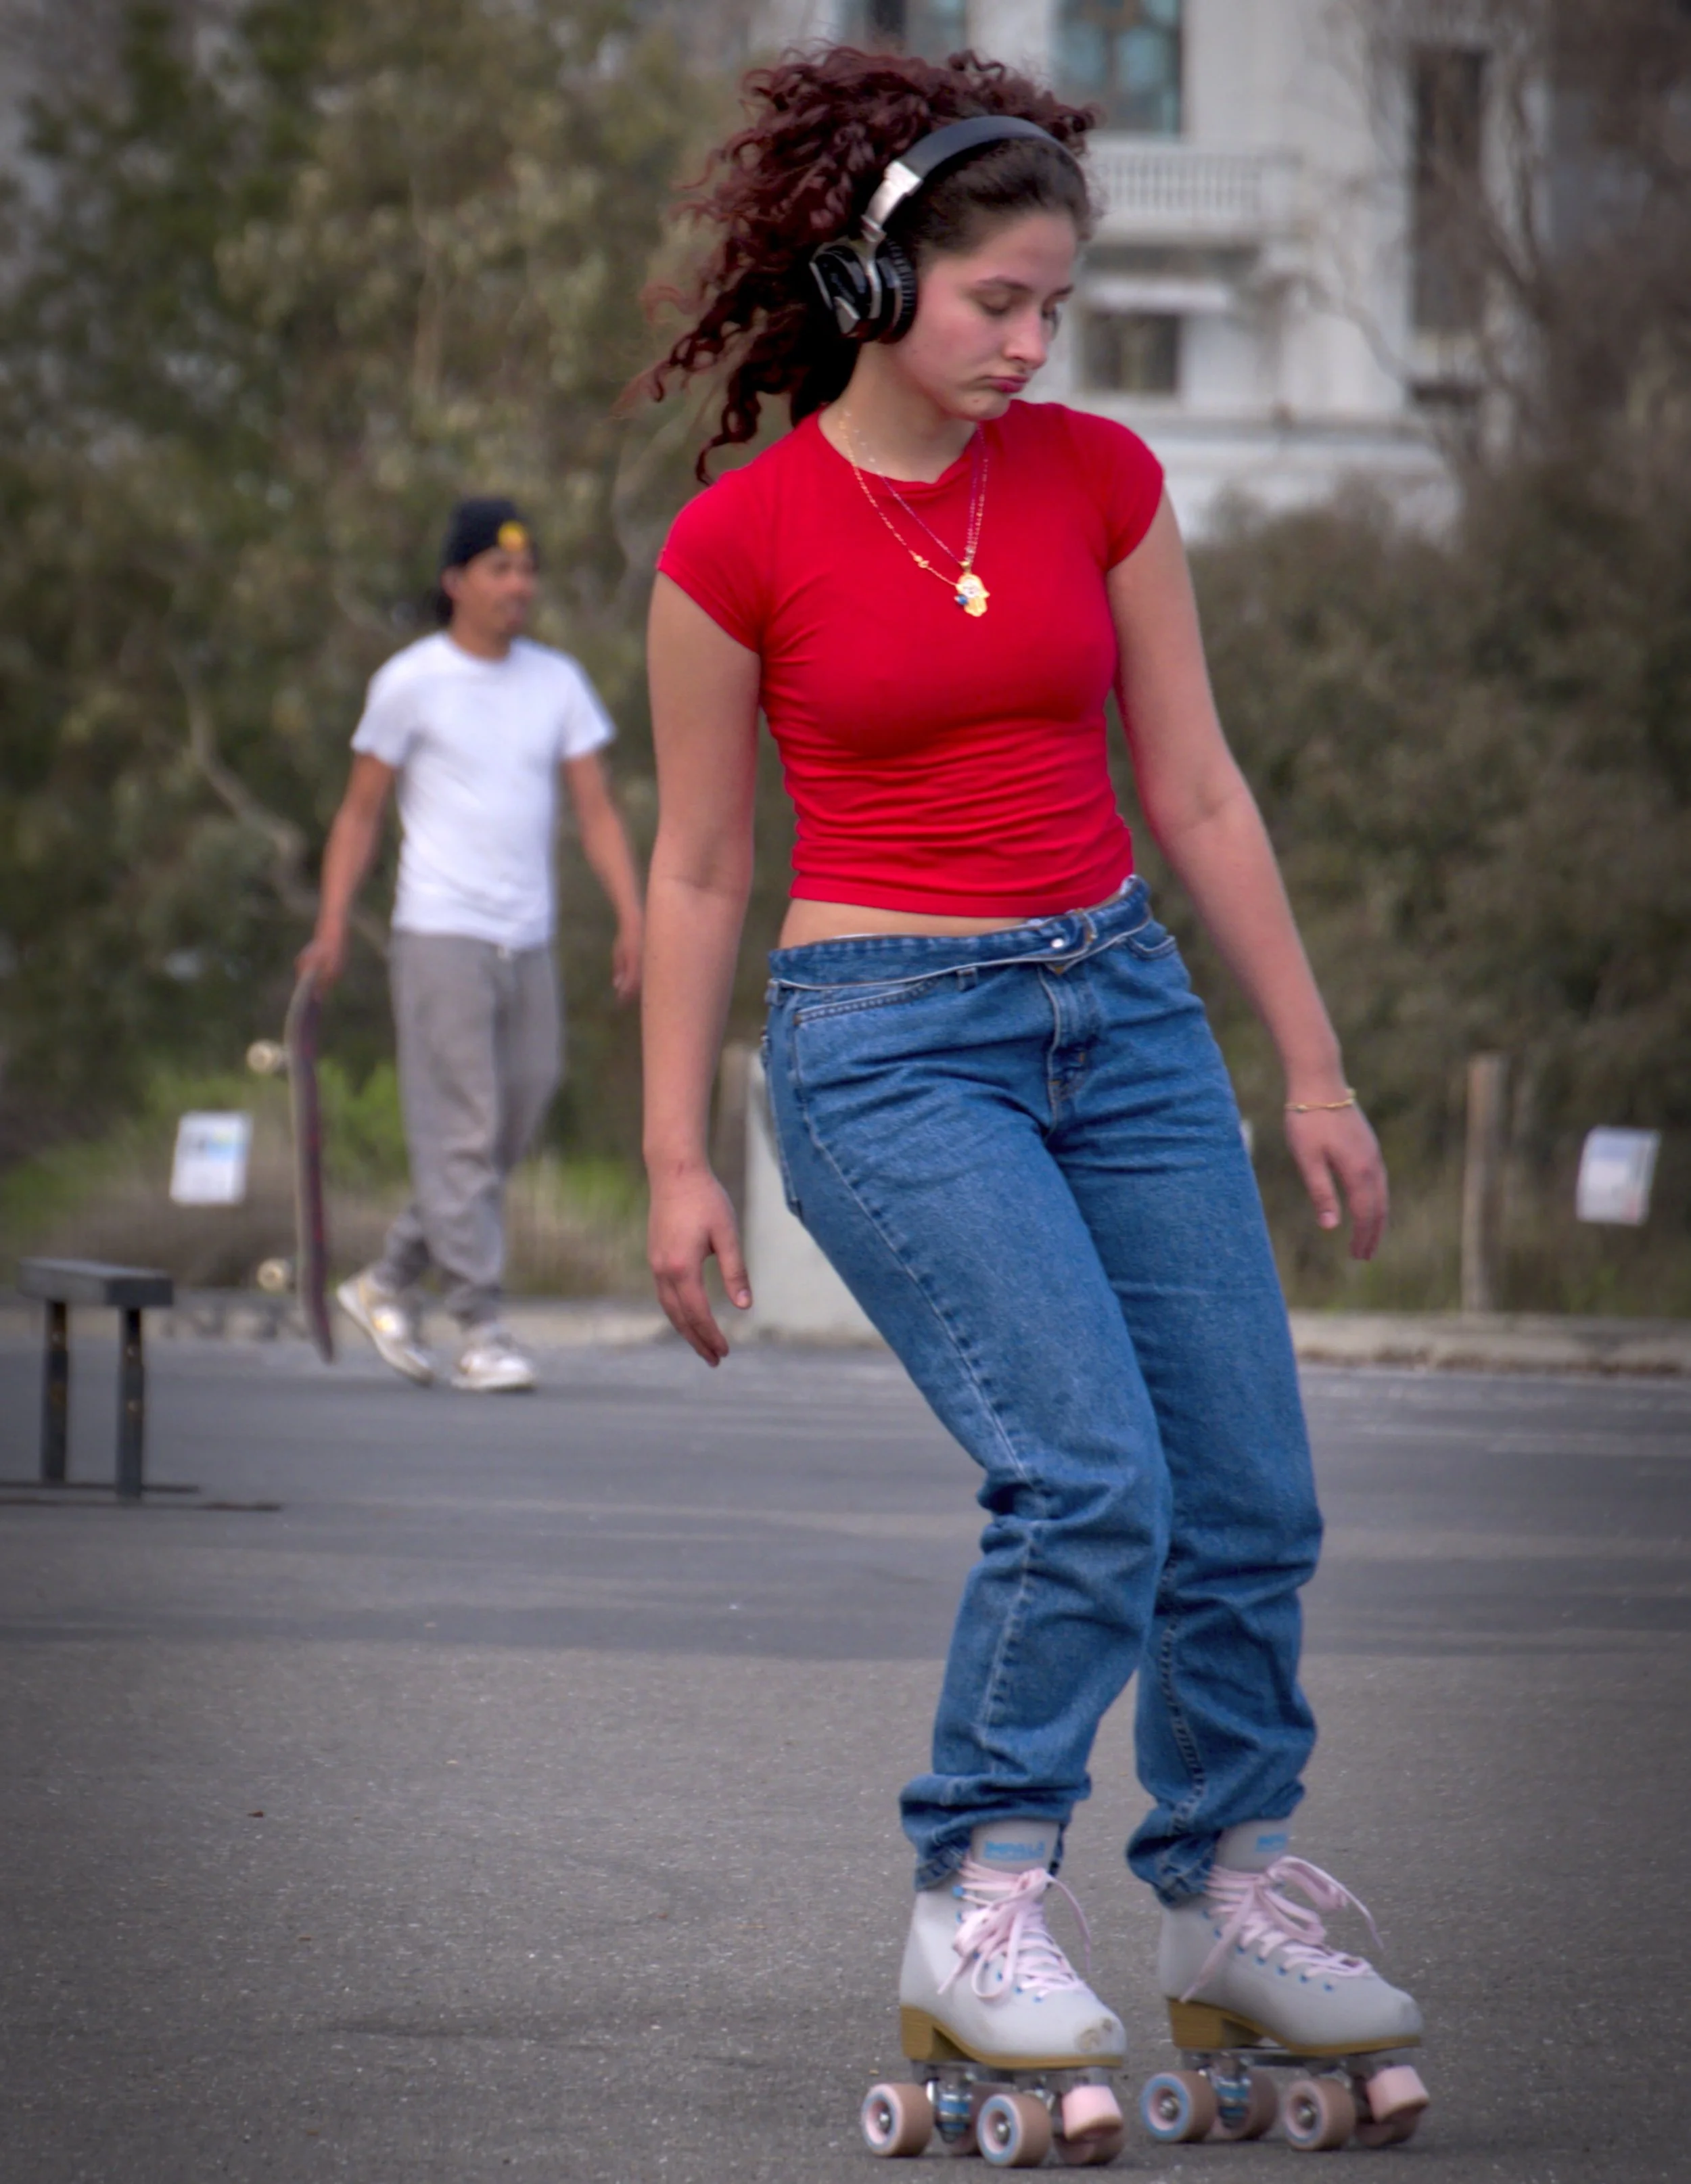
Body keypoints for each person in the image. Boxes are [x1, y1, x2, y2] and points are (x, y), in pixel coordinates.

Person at [635, 42, 1430, 2147]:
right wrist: (665, 1160)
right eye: (1000, 301)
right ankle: (979, 1896)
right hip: (887, 1044)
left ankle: (1227, 1891)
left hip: (1126, 1012)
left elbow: (1193, 787)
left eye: (1055, 308)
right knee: (1088, 1479)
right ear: (882, 286)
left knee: (1246, 1489)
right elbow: (702, 867)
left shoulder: (1098, 482)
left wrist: (1312, 1060)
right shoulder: (736, 547)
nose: (1031, 342)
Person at [298, 497, 643, 1393]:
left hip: (525, 937)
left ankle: (385, 1280)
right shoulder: (412, 681)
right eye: (500, 568)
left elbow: (596, 809)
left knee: (514, 1116)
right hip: (440, 931)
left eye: (527, 570)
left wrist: (635, 916)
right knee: (466, 1130)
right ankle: (481, 1325)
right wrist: (333, 923)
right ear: (456, 582)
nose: (519, 585)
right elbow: (361, 812)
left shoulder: (557, 681)